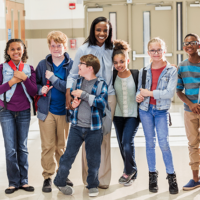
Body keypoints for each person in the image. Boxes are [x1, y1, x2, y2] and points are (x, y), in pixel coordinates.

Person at [65, 16, 116, 189]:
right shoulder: (83, 49)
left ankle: (103, 178)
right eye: (98, 30)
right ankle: (89, 178)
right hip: (85, 95)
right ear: (93, 31)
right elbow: (73, 74)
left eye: (105, 31)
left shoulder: (113, 49)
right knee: (88, 137)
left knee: (104, 138)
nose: (102, 33)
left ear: (109, 33)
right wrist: (70, 95)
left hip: (108, 97)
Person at [54, 54, 108, 197]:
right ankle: (59, 181)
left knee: (93, 159)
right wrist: (73, 104)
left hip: (94, 129)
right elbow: (74, 103)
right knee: (68, 157)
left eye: (81, 64)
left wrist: (83, 95)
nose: (78, 66)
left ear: (90, 68)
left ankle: (92, 185)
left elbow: (102, 103)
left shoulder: (101, 84)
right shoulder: (77, 82)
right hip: (76, 127)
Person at [136, 37, 178, 194]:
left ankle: (171, 176)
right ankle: (152, 175)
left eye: (159, 49)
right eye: (153, 50)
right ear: (148, 52)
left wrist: (149, 93)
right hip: (145, 110)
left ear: (164, 50)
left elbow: (168, 93)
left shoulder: (171, 70)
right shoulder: (144, 71)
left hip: (161, 111)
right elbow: (140, 90)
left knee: (164, 143)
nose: (156, 53)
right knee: (150, 143)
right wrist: (139, 96)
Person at [35, 31, 73, 193]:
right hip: (46, 111)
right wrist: (40, 88)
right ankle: (47, 177)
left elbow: (70, 88)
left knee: (61, 146)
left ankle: (61, 174)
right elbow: (33, 85)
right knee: (48, 146)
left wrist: (53, 79)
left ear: (64, 47)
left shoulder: (70, 65)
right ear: (49, 47)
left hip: (64, 111)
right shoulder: (42, 65)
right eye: (53, 45)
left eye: (59, 45)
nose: (56, 48)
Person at [0, 39, 37, 194]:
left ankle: (24, 181)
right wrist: (12, 81)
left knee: (22, 147)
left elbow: (34, 91)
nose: (16, 52)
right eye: (12, 49)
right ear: (8, 52)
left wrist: (24, 78)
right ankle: (13, 182)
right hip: (6, 111)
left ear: (23, 50)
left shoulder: (29, 69)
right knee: (10, 149)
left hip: (23, 112)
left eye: (19, 49)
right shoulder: (2, 68)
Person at [112, 40, 139, 186]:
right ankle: (130, 172)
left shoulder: (136, 74)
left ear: (128, 60)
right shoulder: (112, 76)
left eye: (122, 61)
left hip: (132, 115)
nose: (119, 65)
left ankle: (129, 170)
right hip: (117, 116)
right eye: (115, 63)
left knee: (127, 142)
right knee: (122, 145)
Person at [176, 33, 200, 191]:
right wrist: (191, 104)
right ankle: (196, 179)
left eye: (193, 42)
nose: (189, 45)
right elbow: (179, 91)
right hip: (190, 111)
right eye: (186, 43)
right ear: (184, 48)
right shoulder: (182, 66)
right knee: (193, 144)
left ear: (198, 45)